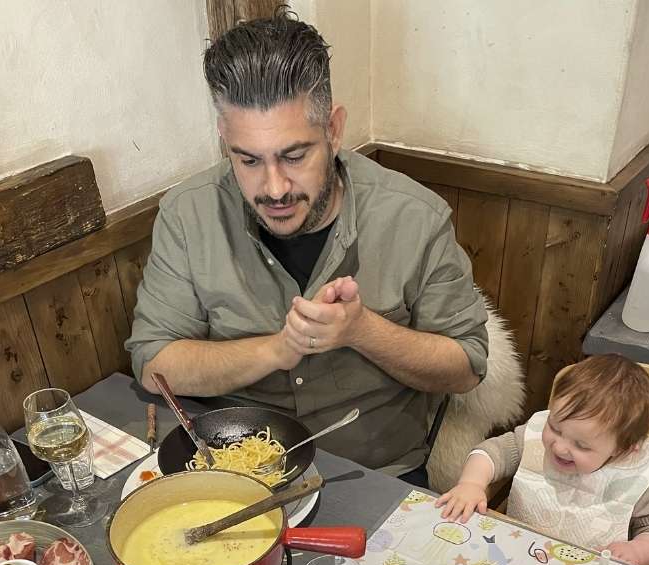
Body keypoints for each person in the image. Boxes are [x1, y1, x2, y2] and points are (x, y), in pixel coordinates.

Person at [124, 12, 488, 482]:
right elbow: (154, 366)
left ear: (333, 130)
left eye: (295, 156)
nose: (274, 188)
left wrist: (362, 330)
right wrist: (278, 349)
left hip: (375, 473)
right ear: (224, 140)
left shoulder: (415, 217)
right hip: (231, 474)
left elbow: (467, 367)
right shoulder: (187, 214)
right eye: (248, 159)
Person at [435, 354, 649, 565]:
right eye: (554, 427)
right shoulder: (533, 439)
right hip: (515, 553)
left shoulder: (641, 477)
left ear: (624, 449)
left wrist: (638, 550)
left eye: (581, 445)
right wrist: (472, 483)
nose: (560, 446)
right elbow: (490, 452)